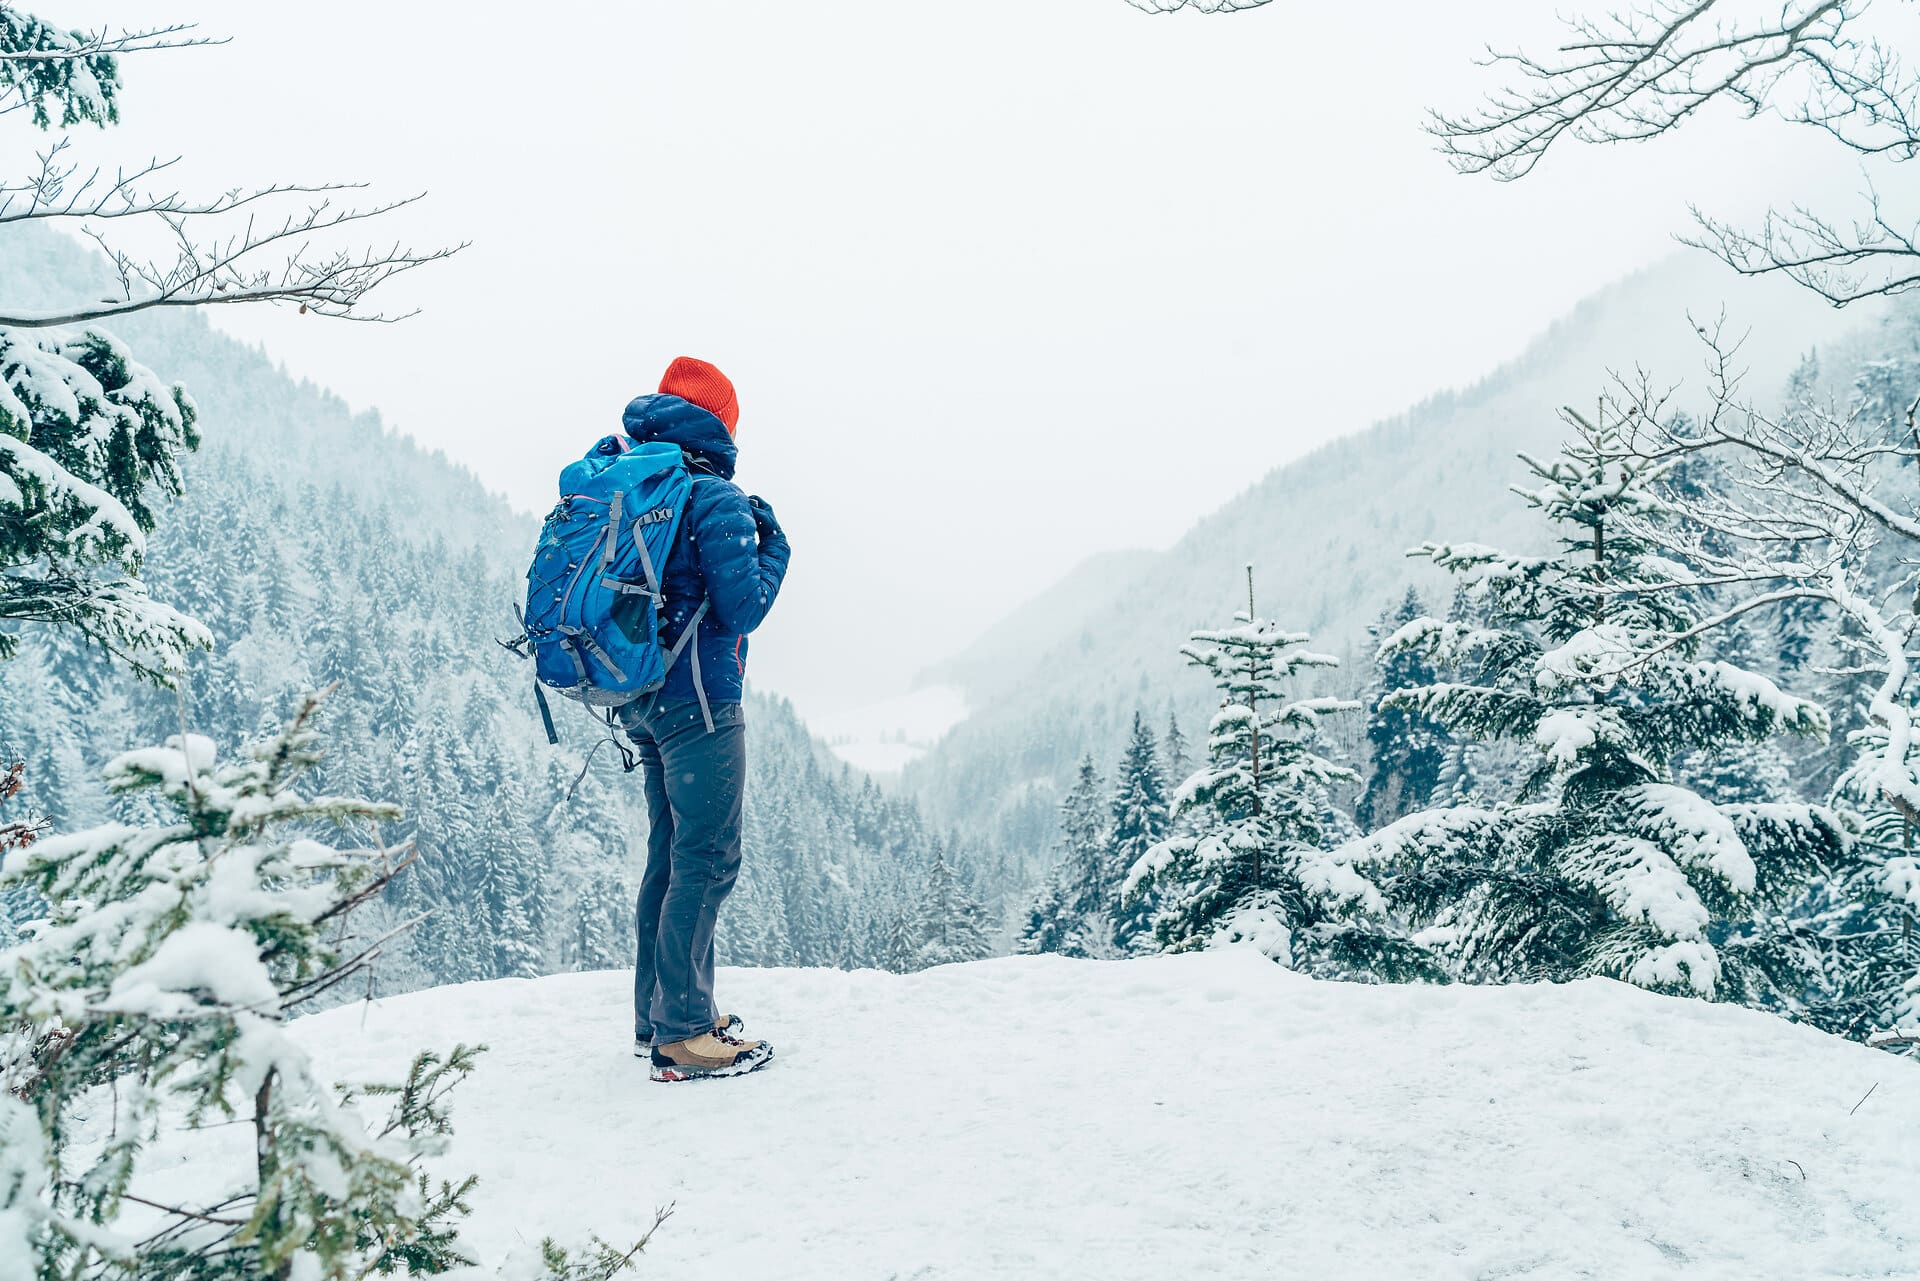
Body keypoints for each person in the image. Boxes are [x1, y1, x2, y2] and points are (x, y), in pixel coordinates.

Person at [617, 356, 790, 1083]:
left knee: (671, 855)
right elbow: (742, 606)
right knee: (709, 856)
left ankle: (658, 1016)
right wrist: (775, 545)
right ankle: (683, 1031)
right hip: (701, 705)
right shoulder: (713, 494)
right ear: (722, 421)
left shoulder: (638, 480)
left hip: (646, 700)